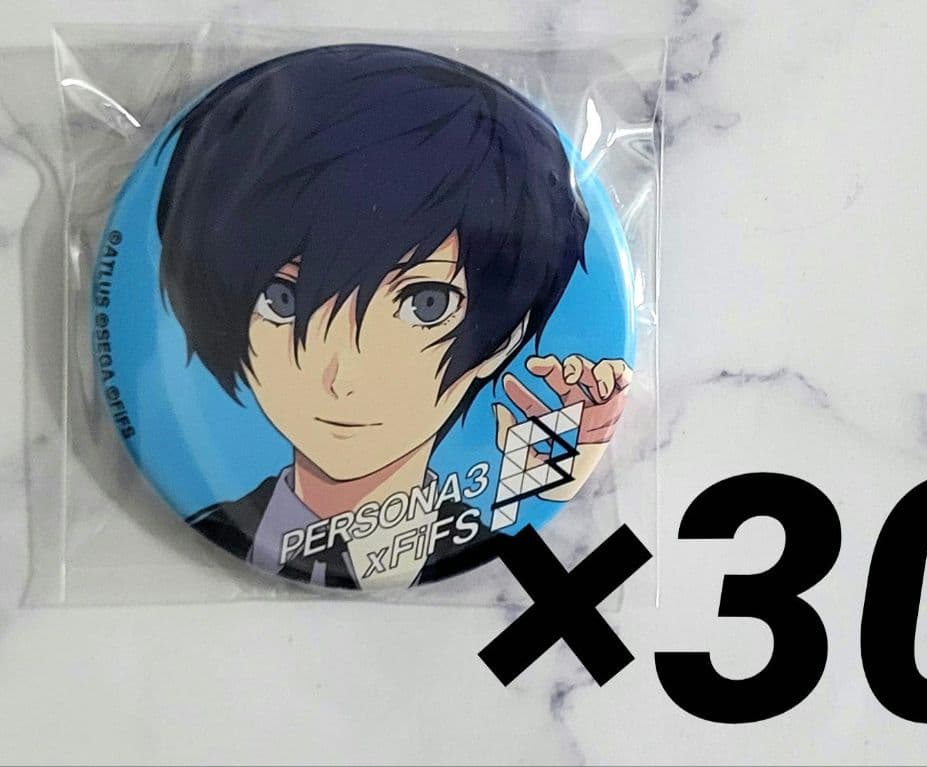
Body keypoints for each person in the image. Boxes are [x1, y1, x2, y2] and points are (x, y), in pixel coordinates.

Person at [156, 44, 632, 589]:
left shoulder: (492, 534)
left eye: (425, 304)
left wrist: (536, 479)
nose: (341, 376)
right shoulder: (211, 518)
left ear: (505, 337)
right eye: (284, 300)